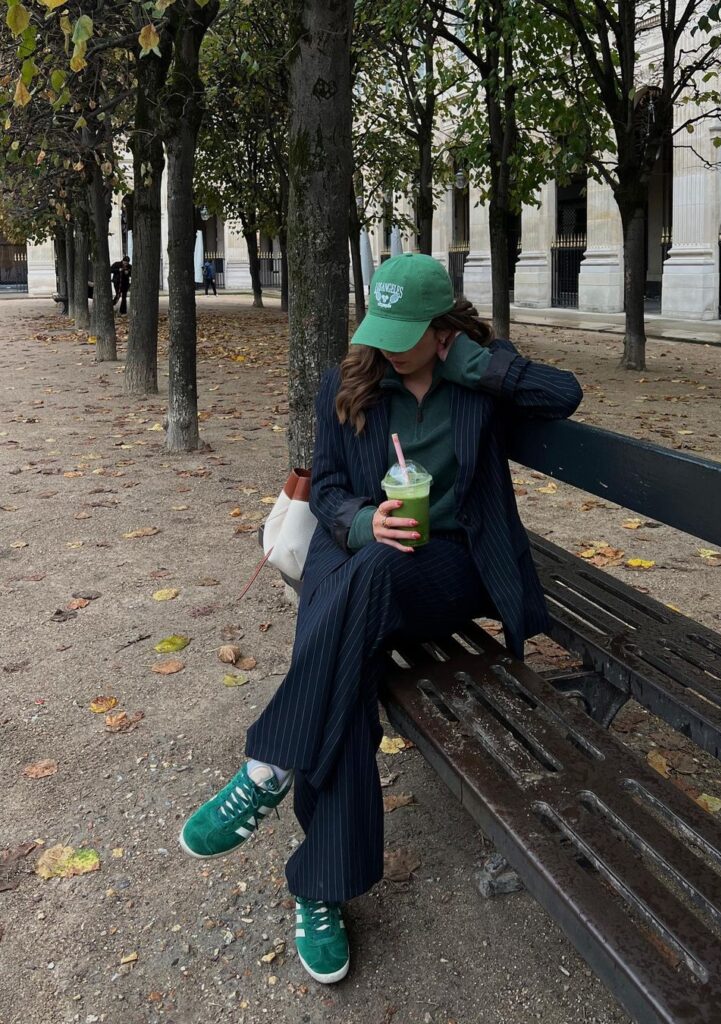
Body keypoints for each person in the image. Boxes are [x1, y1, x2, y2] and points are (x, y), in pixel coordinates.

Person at [178, 253, 583, 985]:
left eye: (406, 332)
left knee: (348, 611)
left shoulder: (481, 374)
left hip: (448, 569)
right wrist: (366, 520)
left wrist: (480, 368)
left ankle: (271, 765)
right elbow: (327, 488)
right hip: (355, 556)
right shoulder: (348, 381)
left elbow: (566, 394)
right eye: (382, 328)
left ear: (442, 329)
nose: (388, 346)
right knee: (350, 659)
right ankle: (320, 887)